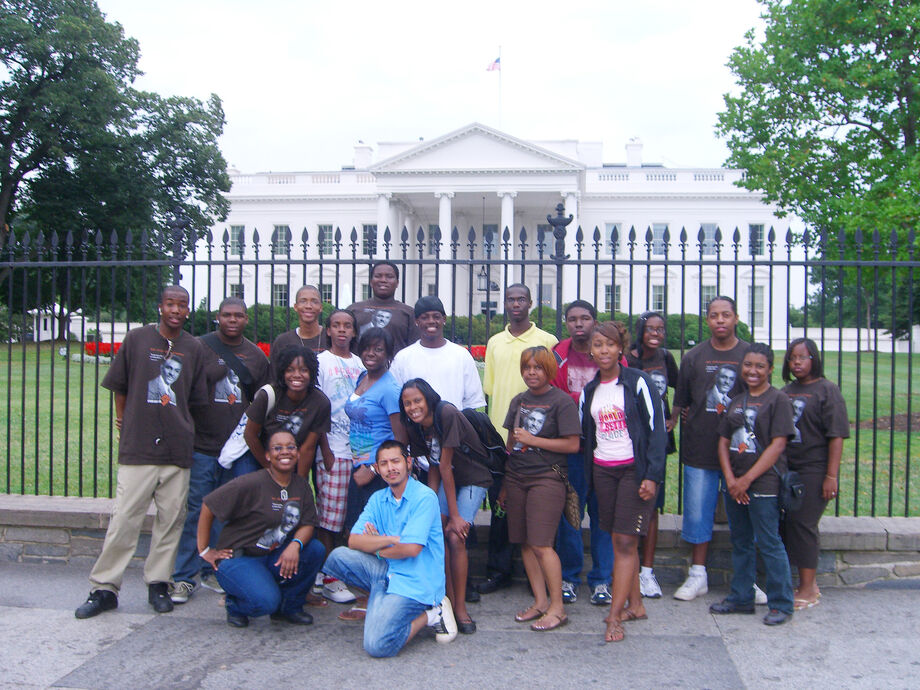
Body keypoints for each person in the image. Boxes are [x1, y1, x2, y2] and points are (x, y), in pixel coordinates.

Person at [75, 285, 208, 619]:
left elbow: (195, 399)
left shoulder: (193, 347)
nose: (176, 310)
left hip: (177, 450)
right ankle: (104, 588)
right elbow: (119, 386)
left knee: (171, 521)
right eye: (170, 304)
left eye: (182, 305)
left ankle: (158, 584)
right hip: (139, 446)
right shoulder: (137, 339)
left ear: (187, 310)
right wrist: (124, 420)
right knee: (124, 519)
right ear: (160, 307)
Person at [171, 297, 271, 604]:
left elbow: (263, 401)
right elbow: (181, 391)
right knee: (196, 511)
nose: (232, 320)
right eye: (227, 315)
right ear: (218, 317)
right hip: (203, 444)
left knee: (230, 514)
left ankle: (218, 569)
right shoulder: (199, 347)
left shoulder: (256, 356)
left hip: (237, 448)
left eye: (238, 315)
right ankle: (184, 576)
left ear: (246, 319)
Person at [323, 440, 457, 657]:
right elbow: (354, 540)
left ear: (408, 463)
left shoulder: (424, 497)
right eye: (384, 464)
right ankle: (380, 598)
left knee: (377, 645)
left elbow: (411, 549)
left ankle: (433, 613)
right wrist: (391, 540)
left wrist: (376, 546)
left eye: (396, 461)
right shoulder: (378, 499)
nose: (390, 468)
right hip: (386, 571)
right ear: (377, 468)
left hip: (415, 581)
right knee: (337, 557)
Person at [581, 321, 667, 642]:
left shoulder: (637, 382)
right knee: (619, 539)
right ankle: (636, 605)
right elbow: (587, 435)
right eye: (598, 344)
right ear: (591, 350)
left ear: (620, 349)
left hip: (634, 471)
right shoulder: (590, 390)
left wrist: (652, 476)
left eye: (610, 344)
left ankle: (615, 618)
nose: (604, 350)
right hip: (604, 472)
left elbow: (656, 431)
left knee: (626, 542)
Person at [198, 430, 326, 627]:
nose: (285, 452)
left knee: (315, 549)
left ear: (298, 453)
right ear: (267, 455)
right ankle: (235, 605)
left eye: (291, 447)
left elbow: (308, 523)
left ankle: (289, 607)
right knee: (266, 602)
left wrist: (295, 545)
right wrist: (205, 550)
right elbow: (209, 505)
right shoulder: (251, 482)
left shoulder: (301, 486)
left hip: (273, 555)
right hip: (241, 558)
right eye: (277, 448)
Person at [671, 296, 751, 602]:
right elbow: (682, 400)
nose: (720, 320)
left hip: (740, 451)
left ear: (736, 318)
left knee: (743, 517)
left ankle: (745, 577)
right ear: (707, 320)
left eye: (726, 315)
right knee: (697, 514)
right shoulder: (694, 357)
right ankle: (698, 574)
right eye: (714, 315)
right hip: (700, 448)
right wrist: (674, 419)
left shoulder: (748, 355)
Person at [479, 284, 558, 595]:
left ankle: (537, 576)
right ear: (505, 303)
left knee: (537, 511)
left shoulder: (547, 341)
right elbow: (491, 388)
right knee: (501, 510)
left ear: (531, 303)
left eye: (521, 299)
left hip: (538, 441)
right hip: (501, 439)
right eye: (510, 299)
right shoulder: (495, 342)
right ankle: (499, 571)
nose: (515, 304)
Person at [712, 343, 796, 626]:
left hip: (764, 484)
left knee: (769, 542)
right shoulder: (737, 401)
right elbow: (723, 442)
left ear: (770, 369)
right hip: (735, 484)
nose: (752, 371)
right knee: (741, 541)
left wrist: (747, 480)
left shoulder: (778, 400)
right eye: (748, 365)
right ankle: (741, 597)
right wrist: (731, 480)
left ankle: (781, 603)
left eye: (760, 366)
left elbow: (778, 445)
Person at [400, 378, 493, 634]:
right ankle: (445, 600)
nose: (413, 407)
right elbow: (433, 465)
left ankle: (460, 609)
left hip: (473, 477)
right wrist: (431, 507)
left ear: (428, 398)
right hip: (445, 478)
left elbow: (445, 466)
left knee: (455, 535)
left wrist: (454, 516)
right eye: (407, 403)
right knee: (435, 532)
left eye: (417, 401)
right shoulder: (416, 425)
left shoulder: (446, 413)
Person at [498, 346, 581, 632]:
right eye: (527, 367)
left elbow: (572, 444)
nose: (531, 373)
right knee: (525, 542)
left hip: (546, 478)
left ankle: (558, 608)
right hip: (517, 477)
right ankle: (540, 601)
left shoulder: (562, 402)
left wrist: (534, 440)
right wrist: (505, 483)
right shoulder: (519, 401)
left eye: (537, 367)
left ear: (549, 370)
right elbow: (511, 444)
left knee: (542, 544)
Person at [340, 327, 408, 619]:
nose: (371, 354)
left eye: (378, 349)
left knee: (371, 534)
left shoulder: (390, 389)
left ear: (388, 355)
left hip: (376, 474)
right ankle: (368, 592)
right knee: (357, 530)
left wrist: (372, 469)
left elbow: (400, 439)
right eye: (367, 348)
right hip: (358, 467)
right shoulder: (362, 378)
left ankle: (373, 598)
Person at [551, 300, 613, 606]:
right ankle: (570, 577)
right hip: (571, 446)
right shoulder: (558, 354)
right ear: (566, 323)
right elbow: (552, 394)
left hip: (606, 447)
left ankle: (602, 579)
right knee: (571, 514)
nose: (579, 324)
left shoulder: (606, 350)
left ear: (594, 321)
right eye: (573, 319)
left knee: (604, 515)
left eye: (585, 318)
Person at [781, 338, 849, 610]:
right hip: (788, 468)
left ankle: (808, 589)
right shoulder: (786, 391)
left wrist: (831, 476)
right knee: (789, 524)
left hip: (814, 468)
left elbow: (836, 435)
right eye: (792, 358)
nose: (797, 362)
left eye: (803, 357)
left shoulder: (827, 390)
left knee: (803, 525)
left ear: (814, 359)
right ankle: (806, 584)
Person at [625, 311, 679, 599]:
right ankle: (627, 569)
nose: (656, 333)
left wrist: (675, 417)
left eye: (660, 329)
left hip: (658, 440)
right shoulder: (628, 359)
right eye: (650, 329)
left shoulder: (666, 357)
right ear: (640, 331)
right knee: (628, 505)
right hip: (631, 440)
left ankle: (647, 571)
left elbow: (681, 388)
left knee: (652, 506)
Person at [313, 308, 365, 603]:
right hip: (333, 449)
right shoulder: (322, 362)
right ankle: (328, 576)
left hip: (357, 451)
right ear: (328, 330)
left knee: (348, 517)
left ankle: (338, 571)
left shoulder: (360, 363)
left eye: (347, 325)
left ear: (354, 332)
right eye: (336, 325)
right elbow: (317, 408)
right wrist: (325, 449)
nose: (342, 330)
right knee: (329, 518)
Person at [244, 345, 331, 478]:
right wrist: (270, 469)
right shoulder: (268, 395)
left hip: (293, 457)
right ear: (282, 372)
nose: (297, 375)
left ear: (312, 372)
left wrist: (300, 483)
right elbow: (250, 435)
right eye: (290, 370)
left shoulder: (320, 402)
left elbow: (308, 448)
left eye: (304, 370)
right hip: (260, 456)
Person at [390, 296, 486, 411]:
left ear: (444, 319)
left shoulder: (461, 355)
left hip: (453, 421)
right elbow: (395, 400)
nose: (431, 321)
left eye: (436, 316)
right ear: (416, 321)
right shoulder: (403, 358)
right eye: (425, 317)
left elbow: (471, 403)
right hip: (415, 422)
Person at [347, 262, 419, 353]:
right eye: (378, 276)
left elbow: (415, 347)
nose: (383, 280)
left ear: (397, 283)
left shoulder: (408, 313)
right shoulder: (354, 310)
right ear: (371, 282)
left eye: (389, 276)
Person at [270, 286, 329, 376]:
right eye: (303, 301)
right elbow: (275, 377)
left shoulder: (331, 338)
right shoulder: (283, 341)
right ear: (295, 307)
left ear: (321, 307)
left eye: (314, 301)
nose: (308, 306)